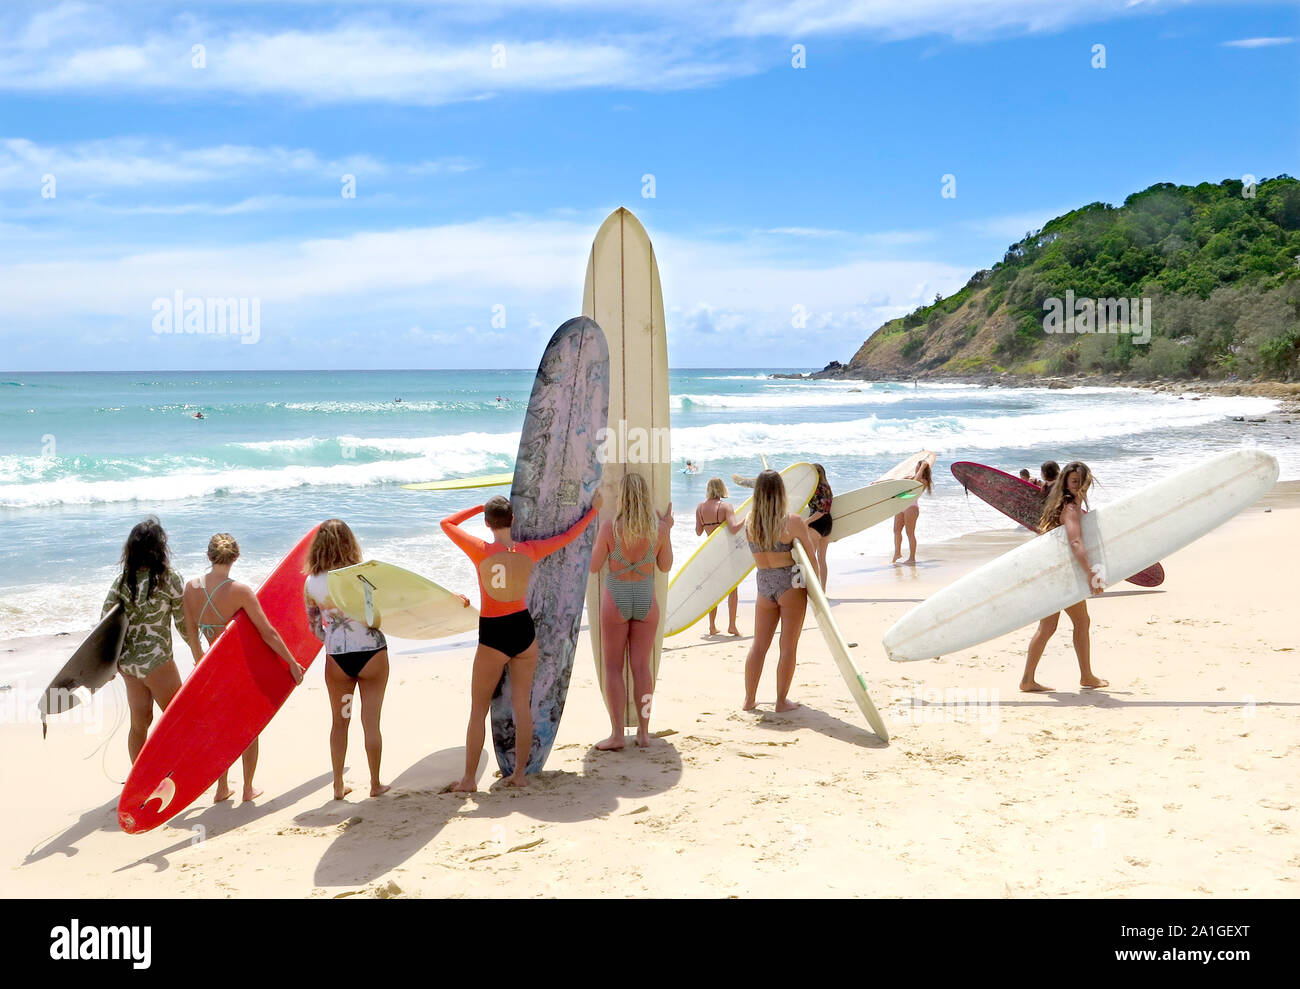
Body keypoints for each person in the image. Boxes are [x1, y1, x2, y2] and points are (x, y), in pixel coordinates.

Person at [442, 491, 601, 790]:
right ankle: (519, 775)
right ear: (513, 520)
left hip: (493, 633)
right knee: (521, 707)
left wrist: (478, 507)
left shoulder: (479, 549)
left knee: (478, 710)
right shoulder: (529, 550)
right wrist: (593, 512)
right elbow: (570, 535)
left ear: (489, 523)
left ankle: (467, 780)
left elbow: (446, 523)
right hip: (523, 630)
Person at [183, 533, 305, 803]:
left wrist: (200, 665)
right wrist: (292, 663)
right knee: (247, 729)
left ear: (208, 556)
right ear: (235, 557)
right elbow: (268, 633)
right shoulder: (240, 591)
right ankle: (248, 788)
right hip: (239, 672)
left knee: (220, 730)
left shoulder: (190, 589)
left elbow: (191, 634)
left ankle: (221, 788)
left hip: (209, 672)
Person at [102, 517, 202, 763]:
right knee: (177, 720)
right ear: (160, 547)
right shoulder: (170, 578)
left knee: (140, 723)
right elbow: (183, 622)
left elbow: (105, 623)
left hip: (129, 665)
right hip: (157, 661)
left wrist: (107, 664)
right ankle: (176, 772)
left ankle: (139, 778)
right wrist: (200, 654)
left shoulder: (123, 580)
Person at [303, 520, 391, 801]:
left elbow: (315, 627)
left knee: (340, 722)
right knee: (371, 722)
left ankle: (339, 786)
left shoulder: (312, 582)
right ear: (349, 543)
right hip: (372, 656)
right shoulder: (362, 577)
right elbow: (372, 617)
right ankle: (375, 784)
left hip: (339, 661)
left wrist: (334, 639)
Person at [591, 475, 673, 750]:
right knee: (641, 668)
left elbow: (593, 567)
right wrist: (667, 531)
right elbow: (665, 566)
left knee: (613, 667)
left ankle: (616, 735)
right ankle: (644, 732)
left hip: (617, 597)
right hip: (646, 599)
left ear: (622, 498)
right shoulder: (658, 530)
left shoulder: (610, 528)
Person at [725, 470, 814, 712]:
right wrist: (817, 592)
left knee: (758, 646)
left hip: (763, 584)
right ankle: (782, 701)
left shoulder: (751, 521)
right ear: (781, 492)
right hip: (790, 583)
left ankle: (749, 699)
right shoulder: (792, 521)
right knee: (787, 646)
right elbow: (810, 556)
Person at [1021, 462, 1108, 692]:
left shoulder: (1058, 503)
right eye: (1074, 482)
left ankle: (1028, 680)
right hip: (1061, 576)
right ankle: (1086, 676)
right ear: (1066, 483)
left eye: (1081, 482)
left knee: (1048, 627)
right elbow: (1075, 541)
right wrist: (1090, 572)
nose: (1079, 487)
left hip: (1051, 573)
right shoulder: (1070, 507)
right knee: (1081, 622)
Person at [696, 478, 740, 636]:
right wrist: (747, 520)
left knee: (712, 590)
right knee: (732, 589)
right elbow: (734, 529)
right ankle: (732, 626)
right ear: (721, 488)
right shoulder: (726, 507)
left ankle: (712, 626)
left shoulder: (700, 507)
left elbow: (698, 532)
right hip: (725, 552)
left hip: (709, 552)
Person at [892, 459, 934, 565]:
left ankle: (912, 558)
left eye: (920, 467)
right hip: (901, 506)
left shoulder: (923, 481)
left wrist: (923, 466)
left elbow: (914, 484)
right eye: (918, 466)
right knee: (896, 530)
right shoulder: (910, 478)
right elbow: (897, 484)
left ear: (923, 469)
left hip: (911, 507)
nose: (917, 468)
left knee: (909, 533)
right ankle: (897, 553)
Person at [805, 463, 833, 589]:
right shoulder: (827, 487)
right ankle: (823, 590)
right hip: (828, 523)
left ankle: (814, 589)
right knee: (822, 559)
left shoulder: (816, 488)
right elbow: (826, 510)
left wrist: (807, 522)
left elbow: (820, 511)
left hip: (816, 523)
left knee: (812, 559)